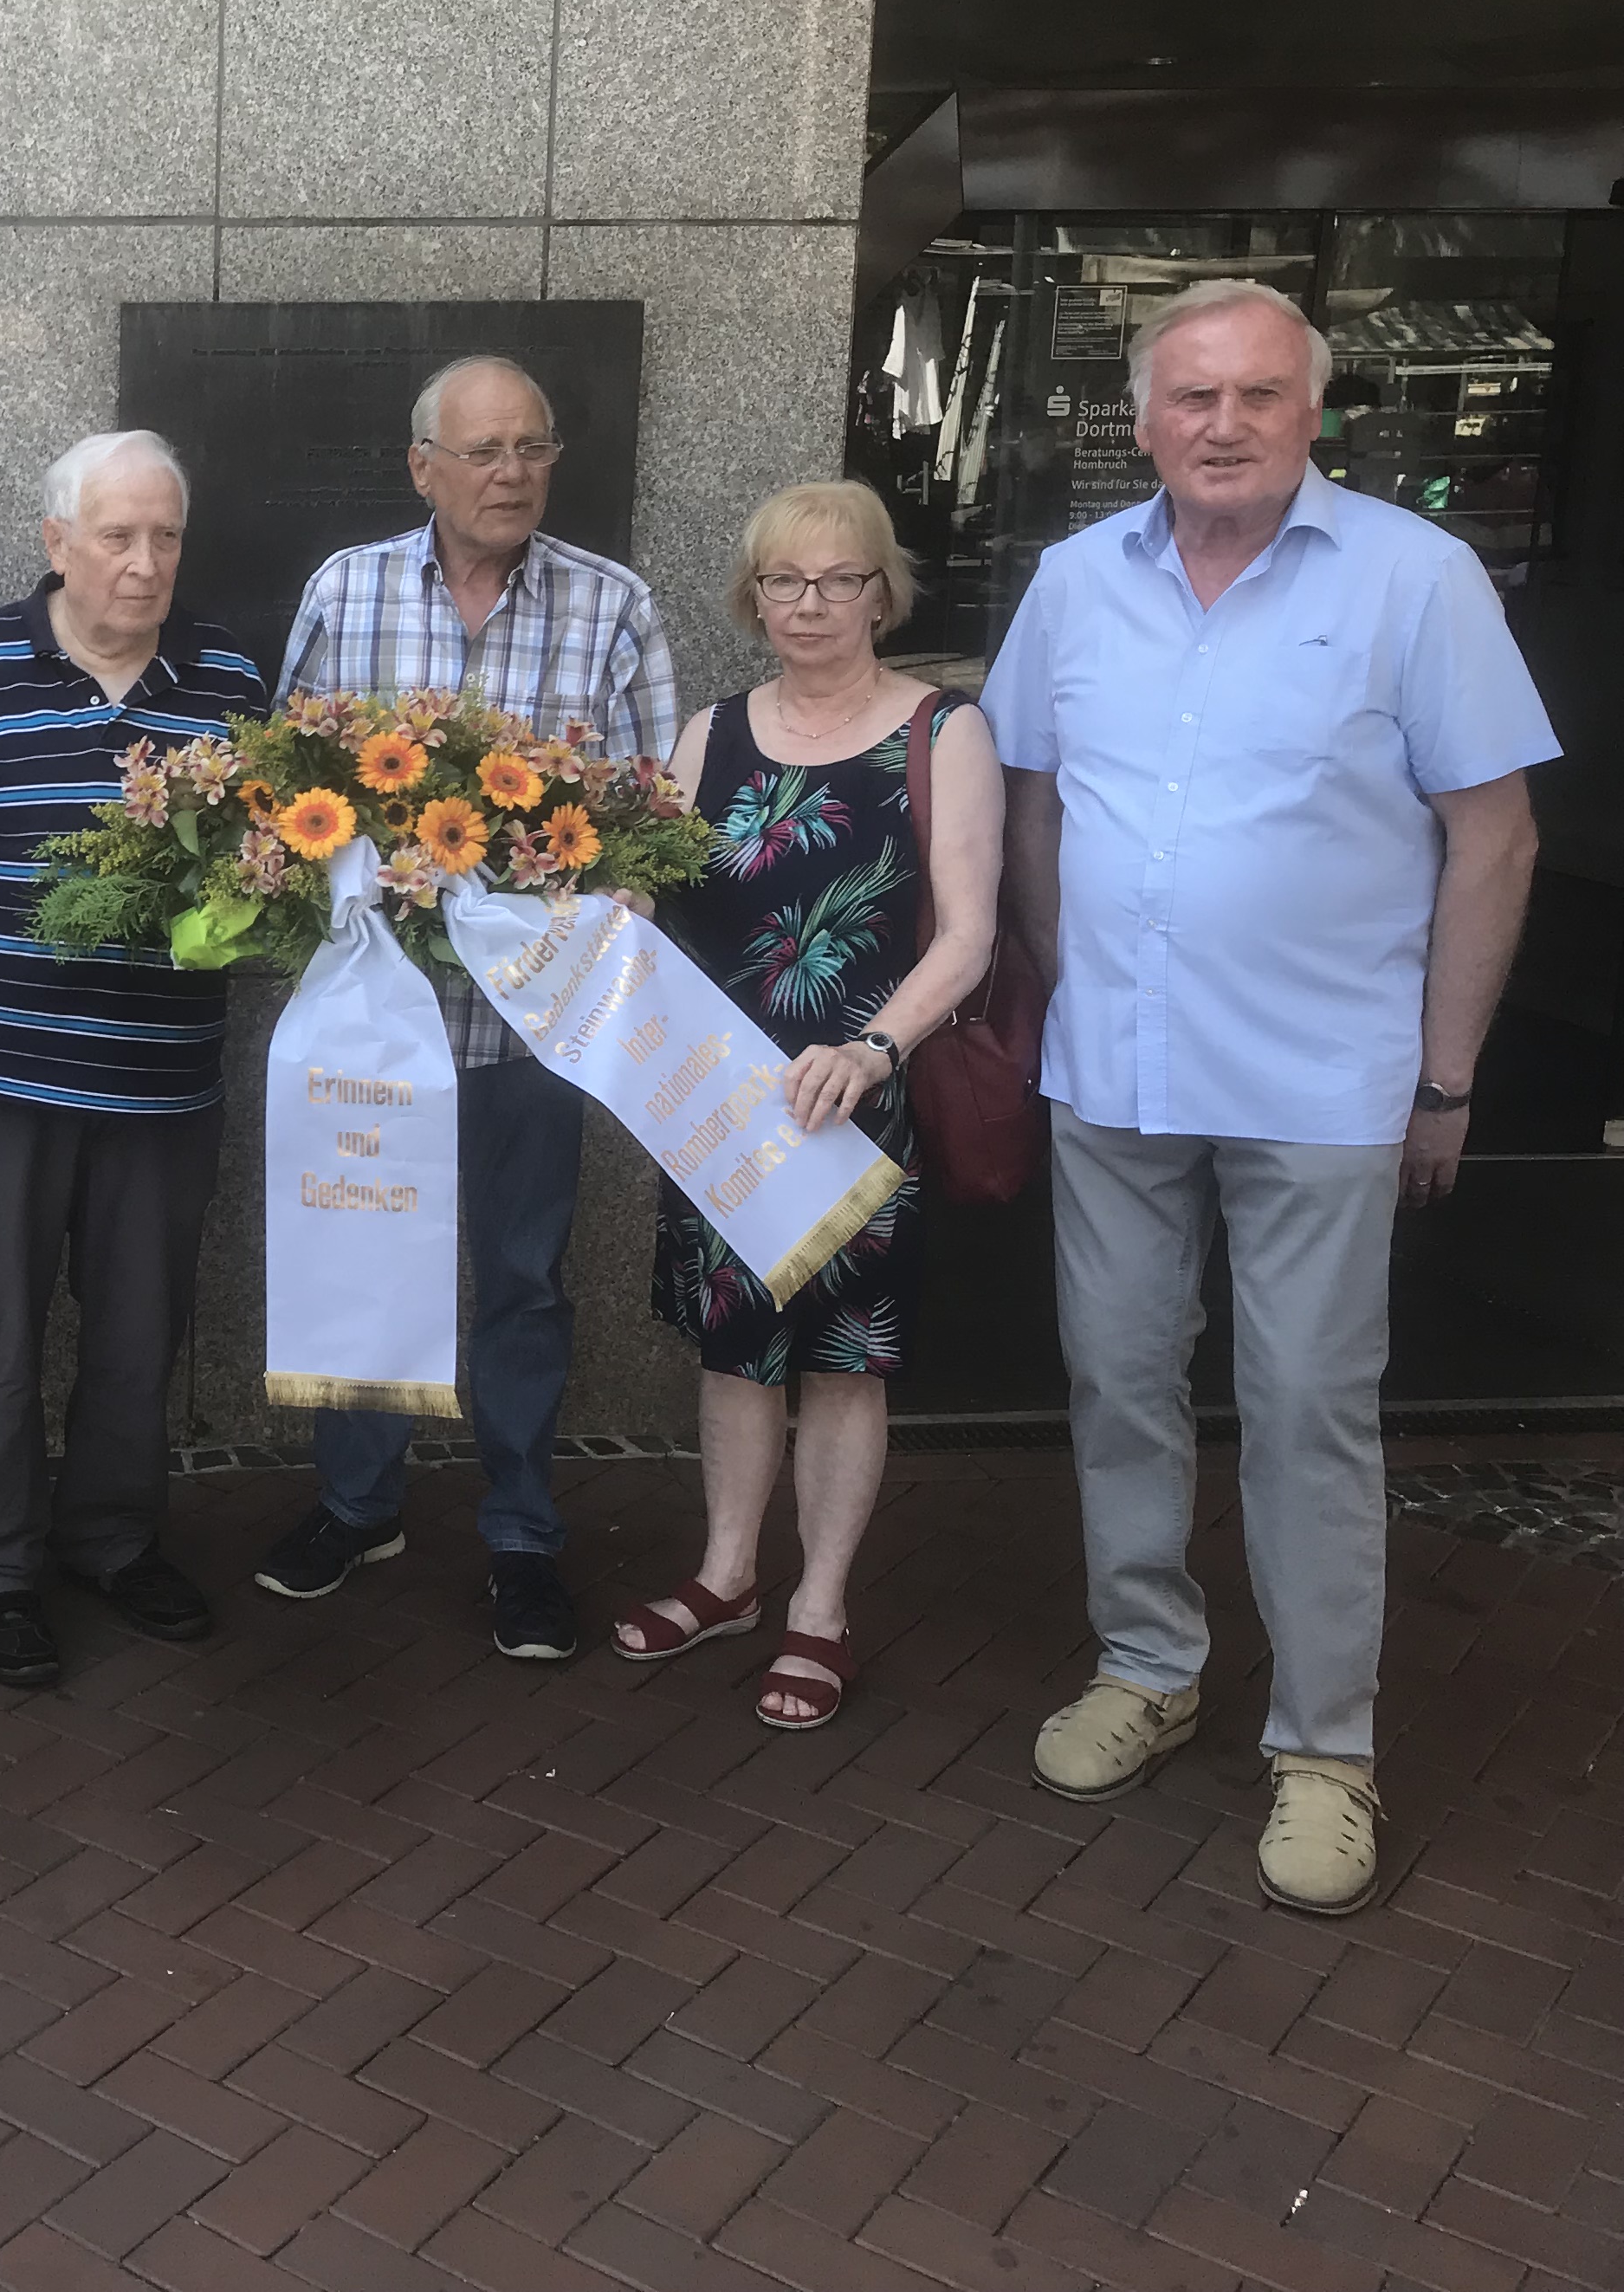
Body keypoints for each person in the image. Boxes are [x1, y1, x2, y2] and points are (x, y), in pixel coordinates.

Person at [984, 277, 1549, 1917]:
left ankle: (1324, 1749)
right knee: (1116, 1376)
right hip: (1118, 1067)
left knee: (1307, 1406)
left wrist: (1445, 1077)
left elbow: (1495, 838)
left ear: (1314, 412)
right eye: (1192, 397)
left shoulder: (1416, 578)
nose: (1222, 425)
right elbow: (1032, 802)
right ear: (1143, 419)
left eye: (1256, 396)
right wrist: (1062, 974)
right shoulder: (1074, 580)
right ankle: (1149, 1664)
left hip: (1321, 1078)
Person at [256, 355, 679, 1661]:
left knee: (523, 1284)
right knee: (361, 1259)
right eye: (483, 451)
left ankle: (522, 1535)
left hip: (530, 1035)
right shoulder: (347, 589)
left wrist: (600, 884)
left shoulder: (614, 605)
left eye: (531, 449)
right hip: (376, 1027)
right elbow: (284, 782)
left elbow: (651, 815)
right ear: (423, 466)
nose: (509, 474)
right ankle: (357, 1506)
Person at [0, 432, 263, 1687]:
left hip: (163, 1088)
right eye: (118, 537)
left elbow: (277, 859)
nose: (144, 563)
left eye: (166, 537)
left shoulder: (229, 680)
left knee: (140, 1335)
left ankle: (113, 1542)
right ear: (57, 542)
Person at [610, 481, 998, 1728]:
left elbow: (970, 936)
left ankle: (819, 1607)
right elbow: (652, 895)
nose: (811, 604)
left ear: (882, 593)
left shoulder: (943, 733)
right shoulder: (708, 735)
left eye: (839, 580)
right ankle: (727, 1574)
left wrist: (875, 1049)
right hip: (721, 1101)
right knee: (735, 1349)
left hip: (858, 1100)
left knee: (842, 1360)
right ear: (755, 596)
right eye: (786, 581)